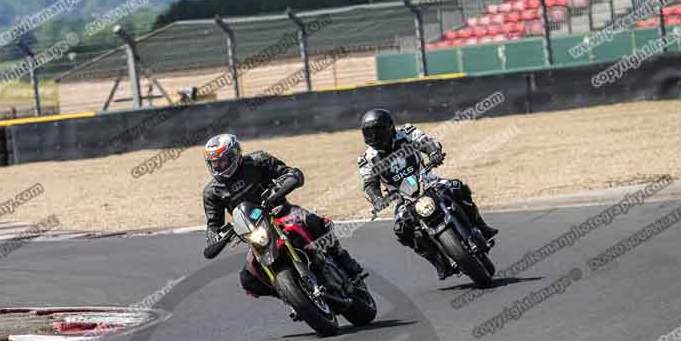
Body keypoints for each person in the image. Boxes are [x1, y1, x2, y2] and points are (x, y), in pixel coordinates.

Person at [201, 134, 364, 298]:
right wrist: (216, 238)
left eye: (223, 160)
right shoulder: (211, 192)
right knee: (248, 279)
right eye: (214, 163)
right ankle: (287, 293)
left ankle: (343, 260)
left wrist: (289, 180)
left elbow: (290, 173)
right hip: (255, 233)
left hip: (280, 212)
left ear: (235, 154)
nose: (219, 166)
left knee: (313, 222)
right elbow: (213, 226)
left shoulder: (258, 160)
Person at [357, 109, 498, 280]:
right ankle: (439, 261)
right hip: (402, 197)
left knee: (456, 187)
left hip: (427, 180)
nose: (374, 137)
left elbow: (426, 142)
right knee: (402, 229)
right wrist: (377, 199)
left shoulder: (407, 133)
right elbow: (369, 184)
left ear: (389, 128)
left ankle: (481, 226)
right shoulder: (366, 159)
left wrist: (434, 152)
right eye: (369, 133)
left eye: (377, 131)